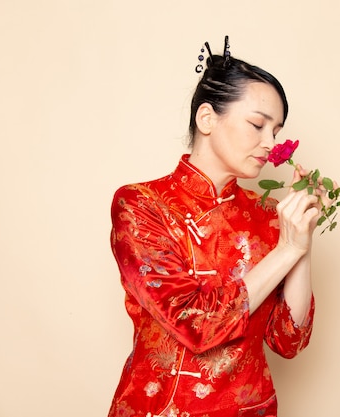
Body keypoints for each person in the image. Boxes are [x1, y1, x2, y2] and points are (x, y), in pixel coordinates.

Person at [108, 36, 324, 417]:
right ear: (207, 118)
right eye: (257, 125)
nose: (269, 144)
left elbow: (289, 340)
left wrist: (301, 238)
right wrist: (286, 250)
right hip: (162, 408)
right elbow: (195, 325)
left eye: (276, 131)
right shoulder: (141, 205)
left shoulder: (268, 215)